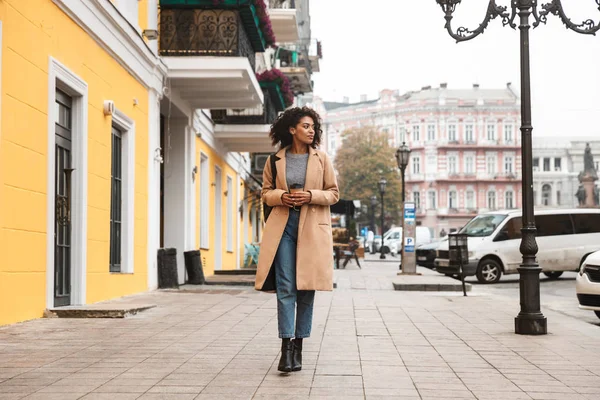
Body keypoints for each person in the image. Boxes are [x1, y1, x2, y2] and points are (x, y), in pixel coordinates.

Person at [255, 107, 339, 373]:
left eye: (313, 126)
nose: (311, 130)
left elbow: (333, 193)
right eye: (305, 125)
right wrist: (281, 196)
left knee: (306, 288)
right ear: (292, 129)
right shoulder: (275, 160)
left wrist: (311, 195)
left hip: (312, 227)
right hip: (283, 227)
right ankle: (285, 348)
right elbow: (265, 193)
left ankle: (299, 347)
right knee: (286, 287)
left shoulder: (322, 159)